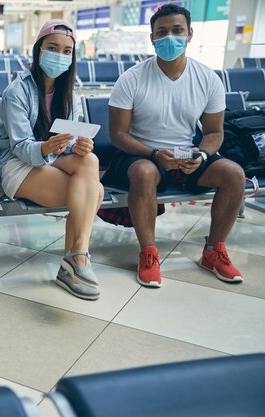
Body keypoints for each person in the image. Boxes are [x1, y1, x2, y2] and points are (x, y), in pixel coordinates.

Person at [107, 3, 245, 288]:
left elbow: (214, 132)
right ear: (152, 38)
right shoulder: (131, 79)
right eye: (162, 31)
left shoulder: (208, 79)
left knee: (234, 174)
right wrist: (154, 153)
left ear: (190, 34)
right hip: (140, 154)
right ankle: (148, 252)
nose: (169, 36)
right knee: (145, 172)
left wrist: (203, 154)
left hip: (186, 155)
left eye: (177, 30)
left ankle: (214, 251)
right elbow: (118, 134)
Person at [0, 19, 104, 301]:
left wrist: (78, 146)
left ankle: (76, 258)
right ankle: (77, 260)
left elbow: (67, 145)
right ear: (39, 50)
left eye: (67, 51)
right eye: (53, 48)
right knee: (96, 191)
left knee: (89, 160)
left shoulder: (71, 95)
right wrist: (47, 147)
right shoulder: (16, 91)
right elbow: (19, 146)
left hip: (51, 157)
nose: (60, 55)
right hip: (17, 163)